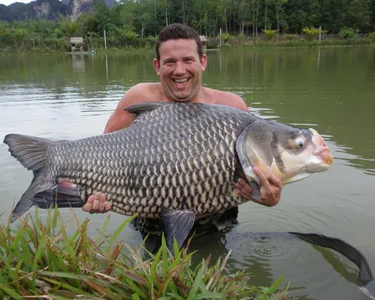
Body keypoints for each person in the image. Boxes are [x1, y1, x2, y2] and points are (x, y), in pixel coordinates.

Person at [81, 23, 282, 218]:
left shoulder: (232, 106)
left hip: (217, 218)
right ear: (157, 66)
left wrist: (270, 197)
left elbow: (262, 174)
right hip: (150, 217)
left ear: (202, 62)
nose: (179, 70)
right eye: (170, 62)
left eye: (188, 60)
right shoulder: (138, 98)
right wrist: (96, 192)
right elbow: (101, 156)